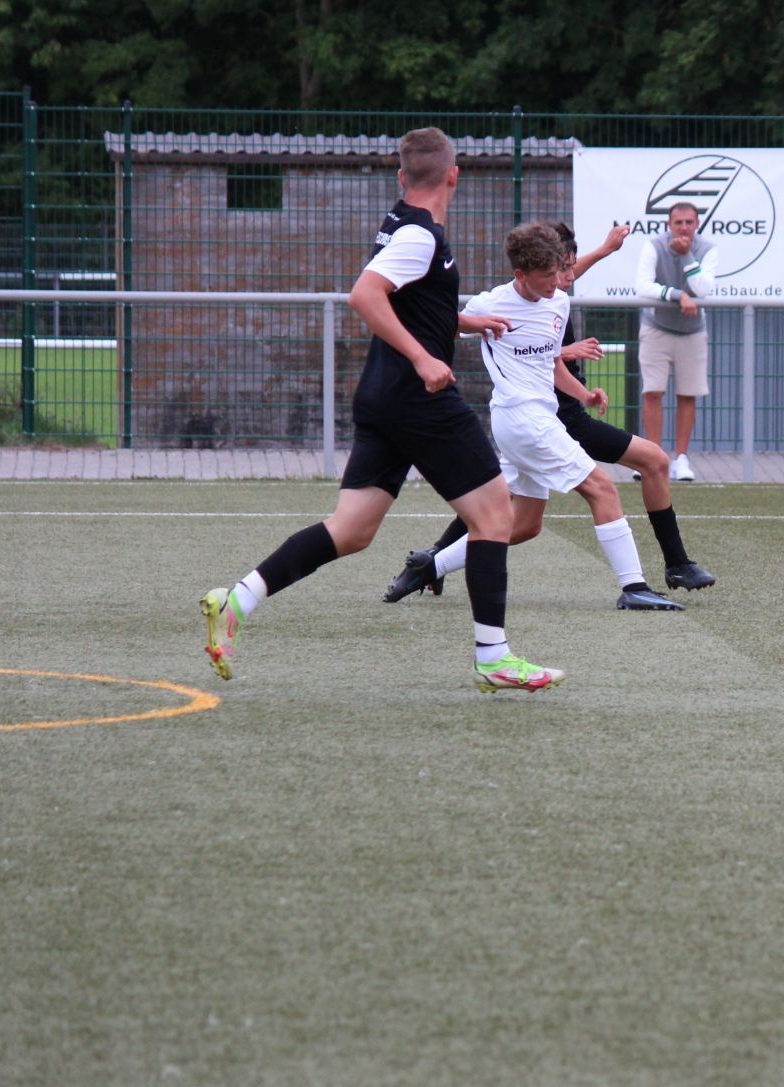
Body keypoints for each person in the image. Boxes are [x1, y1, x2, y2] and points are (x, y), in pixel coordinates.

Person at [199, 128, 563, 693]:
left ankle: (237, 600)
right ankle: (494, 657)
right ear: (454, 175)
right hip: (418, 399)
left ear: (401, 176)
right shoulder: (420, 235)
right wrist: (423, 357)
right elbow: (365, 295)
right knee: (495, 517)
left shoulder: (400, 224)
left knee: (351, 530)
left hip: (382, 396)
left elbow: (409, 302)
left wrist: (465, 322)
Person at [385, 220, 714, 601]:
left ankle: (431, 564)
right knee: (601, 487)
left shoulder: (558, 301)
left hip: (540, 416)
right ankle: (634, 587)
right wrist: (471, 322)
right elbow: (429, 320)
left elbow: (553, 363)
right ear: (520, 275)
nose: (558, 281)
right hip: (521, 417)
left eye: (560, 271)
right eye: (548, 275)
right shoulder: (492, 303)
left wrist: (585, 395)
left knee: (526, 525)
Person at [635, 201, 715, 482]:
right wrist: (677, 295)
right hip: (656, 328)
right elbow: (643, 286)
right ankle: (653, 458)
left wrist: (686, 256)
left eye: (689, 222)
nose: (683, 227)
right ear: (669, 224)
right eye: (678, 222)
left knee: (687, 394)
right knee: (653, 392)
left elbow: (703, 289)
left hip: (692, 332)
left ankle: (681, 460)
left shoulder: (708, 249)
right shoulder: (654, 245)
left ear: (697, 224)